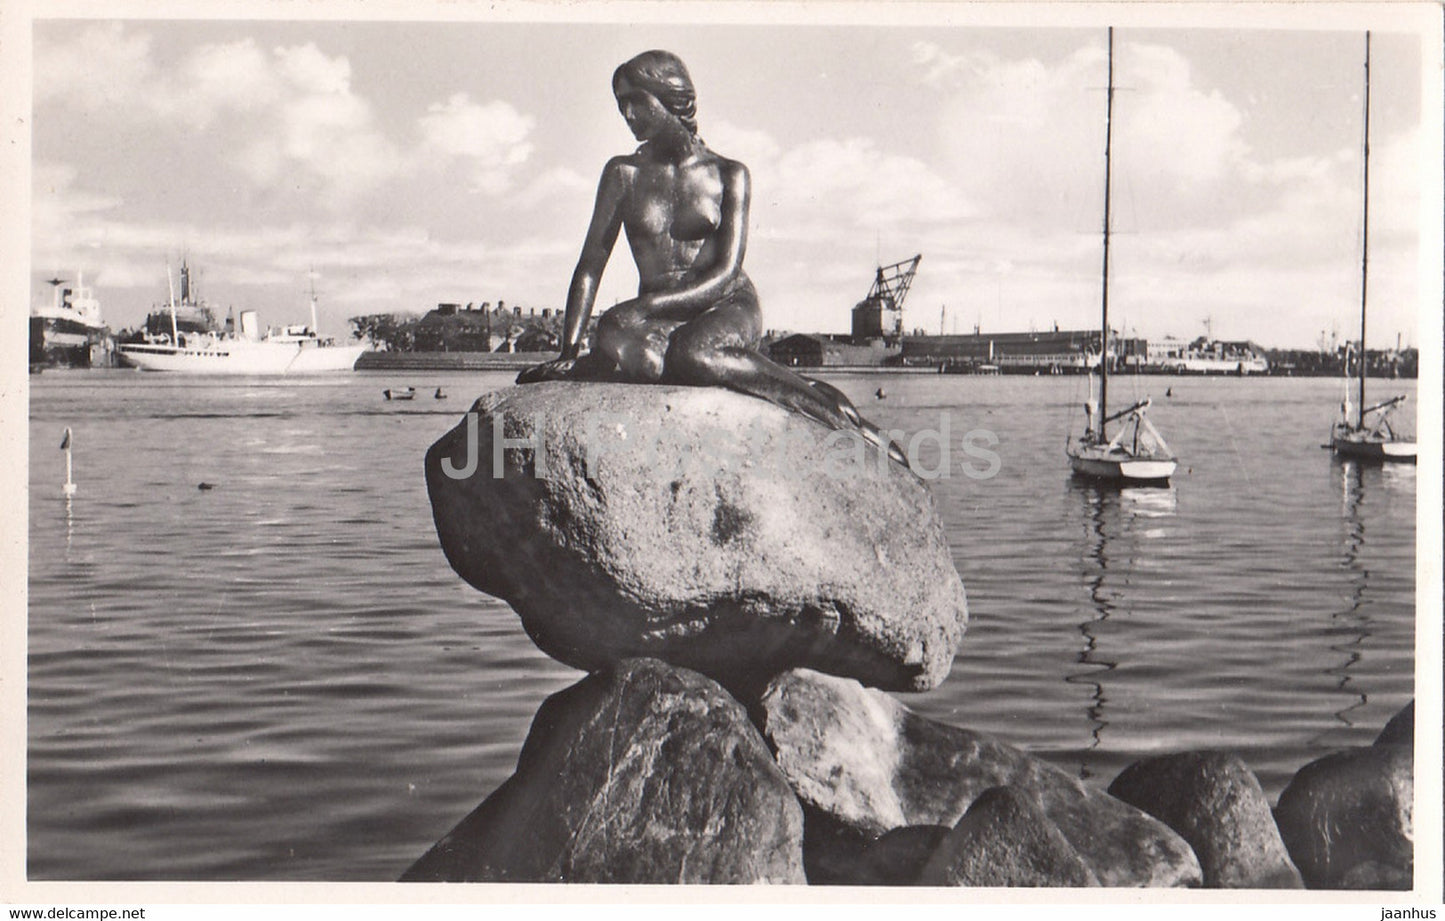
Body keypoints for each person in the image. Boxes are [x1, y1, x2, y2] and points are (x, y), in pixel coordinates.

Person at [517, 50, 903, 463]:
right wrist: (568, 352)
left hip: (725, 303)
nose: (626, 115)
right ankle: (775, 377)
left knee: (694, 353)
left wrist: (645, 307)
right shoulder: (621, 174)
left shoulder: (729, 174)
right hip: (662, 314)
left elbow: (725, 272)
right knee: (635, 351)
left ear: (672, 100)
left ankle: (831, 413)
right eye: (620, 106)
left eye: (635, 102)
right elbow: (590, 267)